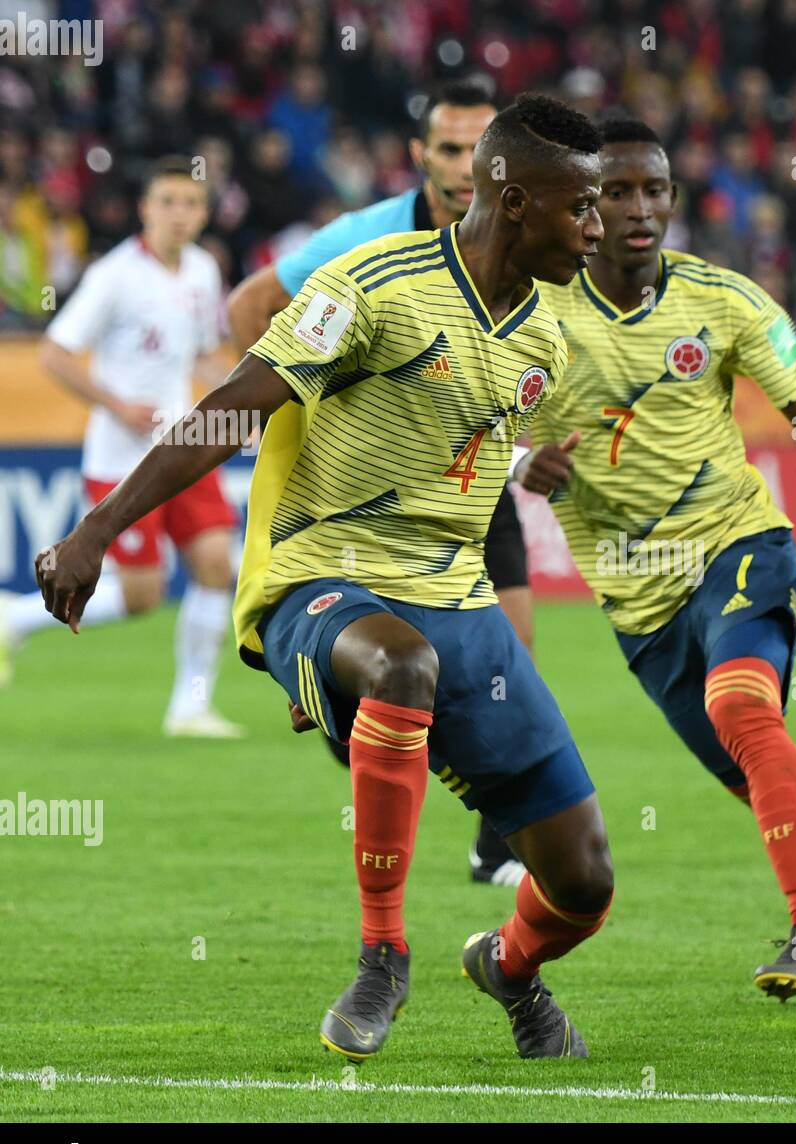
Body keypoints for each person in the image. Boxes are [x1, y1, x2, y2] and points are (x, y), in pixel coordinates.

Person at [35, 95, 613, 1063]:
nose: (596, 230)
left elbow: (456, 445)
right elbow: (231, 408)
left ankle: (509, 967)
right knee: (398, 666)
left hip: (453, 593)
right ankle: (383, 954)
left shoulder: (544, 335)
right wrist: (96, 527)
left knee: (584, 882)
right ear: (512, 200)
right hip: (321, 572)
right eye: (581, 208)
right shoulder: (372, 284)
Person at [517, 119, 796, 1006]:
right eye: (618, 193)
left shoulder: (727, 300)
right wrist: (526, 462)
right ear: (586, 209)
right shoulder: (535, 310)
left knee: (743, 709)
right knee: (765, 778)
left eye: (655, 190)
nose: (640, 210)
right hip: (639, 601)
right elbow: (483, 429)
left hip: (740, 544)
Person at [229, 80, 528, 887]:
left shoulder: (525, 235)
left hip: (472, 478)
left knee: (514, 650)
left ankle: (496, 840)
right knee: (384, 686)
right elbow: (251, 303)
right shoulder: (367, 236)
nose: (468, 168)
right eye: (450, 150)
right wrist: (308, 414)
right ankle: (342, 703)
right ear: (419, 156)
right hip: (371, 491)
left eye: (481, 150)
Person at [0, 157, 242, 739]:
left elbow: (202, 355)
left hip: (183, 445)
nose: (179, 215)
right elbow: (55, 353)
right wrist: (115, 405)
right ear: (145, 208)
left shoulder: (204, 271)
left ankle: (190, 707)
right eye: (167, 202)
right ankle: (14, 615)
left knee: (215, 568)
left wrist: (245, 397)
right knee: (141, 595)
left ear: (205, 213)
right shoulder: (116, 274)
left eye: (191, 204)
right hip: (121, 456)